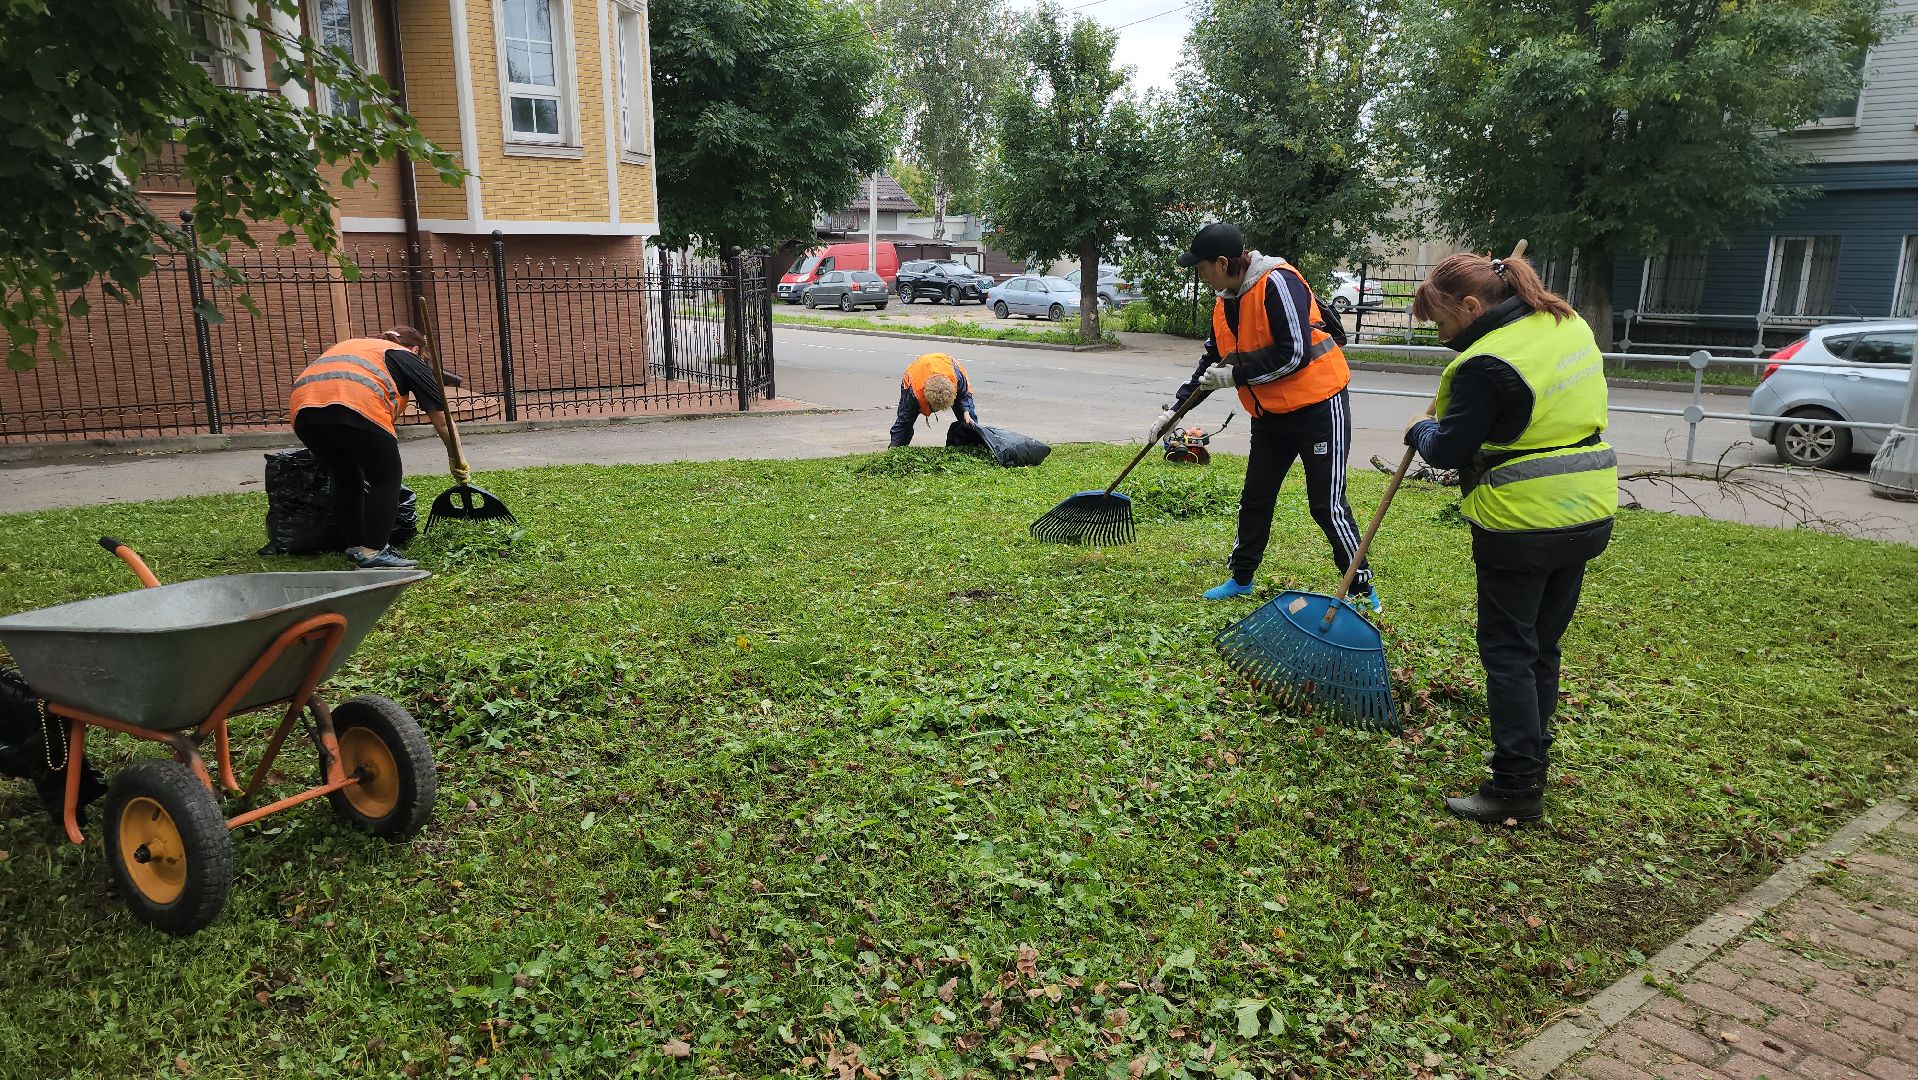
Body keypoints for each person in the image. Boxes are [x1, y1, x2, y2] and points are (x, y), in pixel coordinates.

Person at [1404, 252, 1617, 825]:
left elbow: (1446, 450)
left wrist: (1421, 428)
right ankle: (1534, 757)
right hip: (1589, 509)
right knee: (1541, 646)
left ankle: (1516, 787)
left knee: (1508, 651)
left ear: (1471, 308)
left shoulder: (1485, 362)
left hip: (1524, 523)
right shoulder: (1564, 321)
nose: (1445, 338)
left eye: (1444, 325)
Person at [1150, 223, 1376, 608]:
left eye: (1202, 267)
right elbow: (1213, 360)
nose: (1200, 275)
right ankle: (1241, 578)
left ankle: (1362, 589)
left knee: (1326, 504)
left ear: (1223, 263)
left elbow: (1293, 354)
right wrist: (1176, 410)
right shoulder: (1225, 300)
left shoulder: (1277, 283)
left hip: (1319, 405)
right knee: (1256, 496)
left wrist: (1236, 375)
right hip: (1270, 414)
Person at [288, 327, 465, 569]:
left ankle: (356, 546)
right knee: (386, 476)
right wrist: (457, 459)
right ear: (414, 349)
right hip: (355, 403)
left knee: (345, 476)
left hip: (304, 411)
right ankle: (373, 552)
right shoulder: (405, 355)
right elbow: (442, 421)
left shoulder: (355, 346)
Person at [890, 352, 980, 447]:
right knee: (905, 423)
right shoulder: (913, 393)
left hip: (948, 370)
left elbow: (964, 394)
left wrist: (965, 411)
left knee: (970, 420)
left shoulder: (957, 377)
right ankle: (895, 448)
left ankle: (973, 447)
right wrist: (894, 450)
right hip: (915, 377)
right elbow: (903, 424)